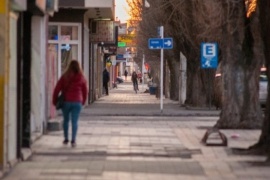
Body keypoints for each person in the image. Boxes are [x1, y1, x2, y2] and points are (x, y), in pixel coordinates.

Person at [52, 60, 88, 147]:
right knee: (74, 121)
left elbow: (57, 89)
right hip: (77, 102)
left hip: (66, 101)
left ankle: (66, 139)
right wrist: (83, 101)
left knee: (66, 120)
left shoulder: (65, 76)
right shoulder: (81, 77)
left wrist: (54, 100)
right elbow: (85, 91)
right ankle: (73, 140)